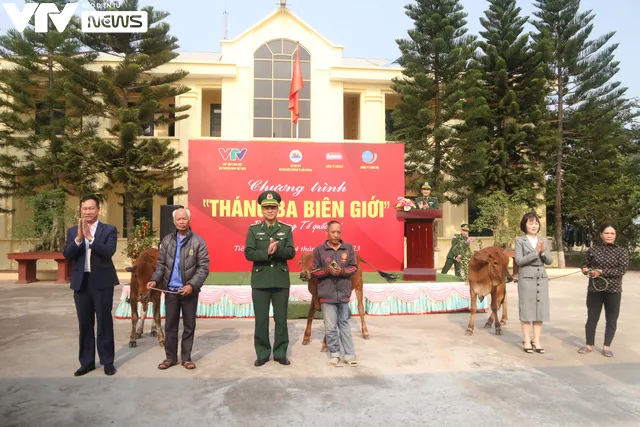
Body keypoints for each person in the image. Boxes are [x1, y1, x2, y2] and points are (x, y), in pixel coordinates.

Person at [63, 195, 119, 376]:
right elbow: (67, 254)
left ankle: (107, 362)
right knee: (85, 324)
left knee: (104, 322)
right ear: (81, 210)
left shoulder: (109, 230)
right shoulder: (73, 231)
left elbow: (108, 252)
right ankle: (87, 362)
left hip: (102, 282)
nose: (87, 211)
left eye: (91, 208)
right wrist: (79, 238)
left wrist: (91, 238)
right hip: (81, 283)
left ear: (98, 210)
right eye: (84, 208)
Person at [148, 208, 210, 370]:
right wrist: (154, 280)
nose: (181, 221)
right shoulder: (167, 241)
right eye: (178, 219)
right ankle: (170, 358)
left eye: (184, 219)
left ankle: (186, 358)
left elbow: (203, 268)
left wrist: (191, 285)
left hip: (189, 291)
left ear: (189, 221)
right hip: (171, 291)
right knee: (170, 326)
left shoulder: (198, 242)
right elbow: (161, 265)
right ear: (174, 222)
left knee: (189, 326)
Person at [244, 191, 295, 367]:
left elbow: (291, 252)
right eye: (267, 208)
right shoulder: (254, 230)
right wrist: (266, 252)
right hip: (260, 281)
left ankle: (280, 353)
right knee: (261, 320)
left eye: (273, 207)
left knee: (281, 320)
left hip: (280, 281)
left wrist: (277, 250)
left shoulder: (286, 229)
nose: (270, 211)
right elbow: (248, 253)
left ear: (278, 209)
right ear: (262, 210)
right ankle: (263, 353)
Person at [311, 220, 359, 366]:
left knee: (344, 324)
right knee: (330, 326)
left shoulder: (348, 248)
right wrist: (327, 271)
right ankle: (334, 354)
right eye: (333, 232)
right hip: (327, 294)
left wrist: (342, 271)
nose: (336, 235)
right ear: (327, 232)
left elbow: (354, 268)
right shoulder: (319, 250)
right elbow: (314, 272)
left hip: (343, 293)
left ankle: (350, 354)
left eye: (339, 232)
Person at [578, 224, 630, 358]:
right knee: (592, 318)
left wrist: (601, 271)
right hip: (595, 289)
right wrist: (585, 270)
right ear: (601, 234)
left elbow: (621, 270)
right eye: (606, 233)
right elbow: (585, 264)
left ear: (615, 235)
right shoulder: (593, 251)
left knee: (611, 319)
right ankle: (589, 344)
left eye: (612, 233)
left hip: (613, 290)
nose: (609, 236)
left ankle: (607, 346)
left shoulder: (622, 251)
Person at [514, 212, 552, 354]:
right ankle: (526, 339)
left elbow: (549, 260)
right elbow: (519, 261)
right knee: (527, 308)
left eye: (536, 223)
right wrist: (535, 253)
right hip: (526, 278)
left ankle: (536, 340)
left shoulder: (543, 240)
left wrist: (542, 253)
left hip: (541, 278)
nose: (534, 226)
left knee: (539, 309)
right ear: (525, 225)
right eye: (531, 223)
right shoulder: (520, 241)